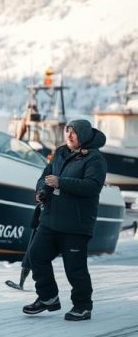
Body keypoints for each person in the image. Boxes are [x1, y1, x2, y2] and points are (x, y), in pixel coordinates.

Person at [23, 119, 107, 321]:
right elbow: (45, 176)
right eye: (67, 131)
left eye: (74, 132)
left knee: (75, 268)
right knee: (36, 255)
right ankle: (48, 297)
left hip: (76, 224)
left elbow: (92, 187)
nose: (69, 135)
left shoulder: (95, 159)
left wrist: (62, 182)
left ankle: (83, 306)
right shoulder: (60, 152)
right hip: (50, 219)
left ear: (84, 135)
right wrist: (41, 190)